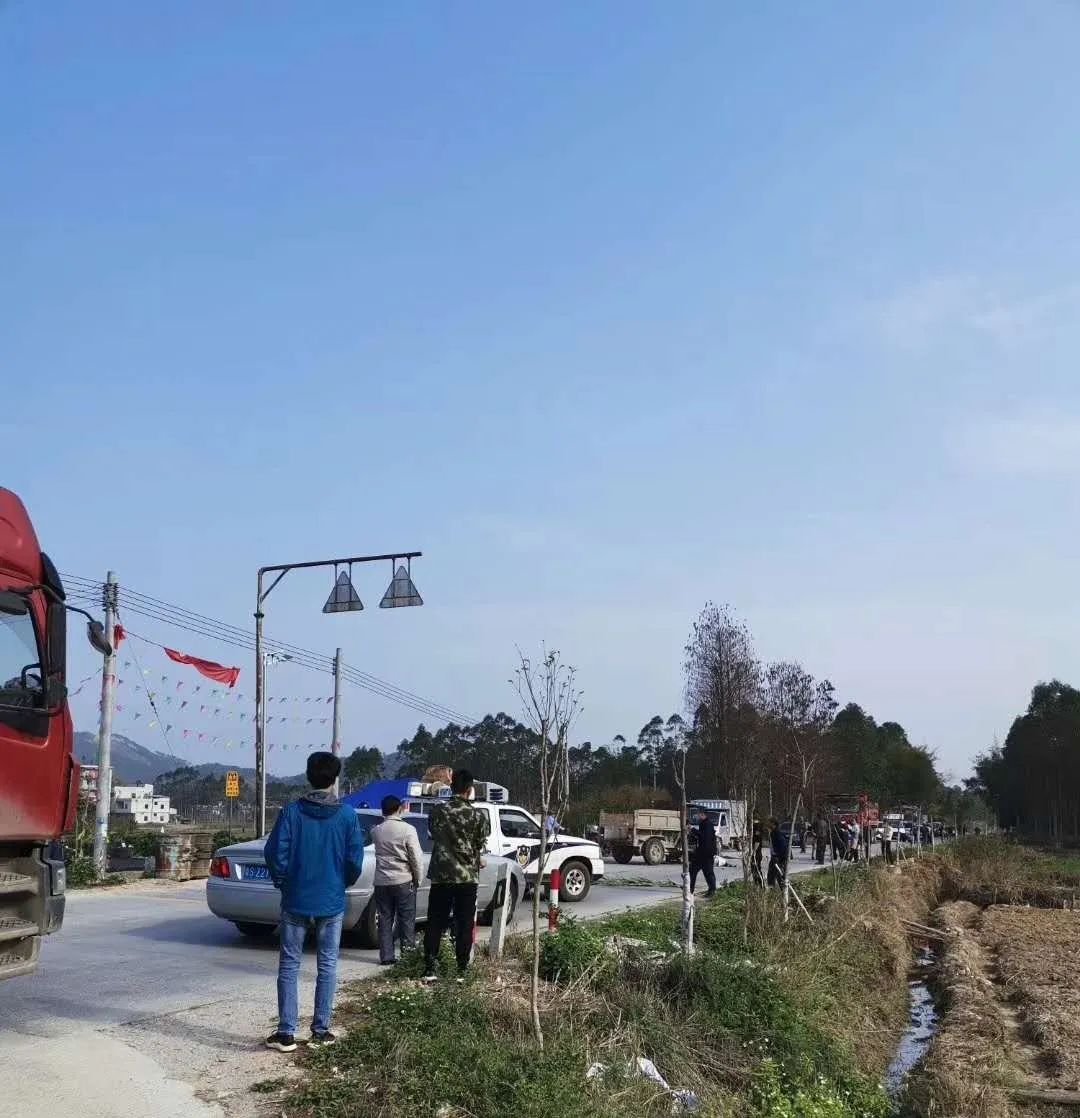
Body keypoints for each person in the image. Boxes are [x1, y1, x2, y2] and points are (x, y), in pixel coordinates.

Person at [263, 751, 364, 1053]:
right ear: (335, 778)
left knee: (290, 964)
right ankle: (321, 1031)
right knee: (327, 964)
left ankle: (286, 1033)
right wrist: (340, 883)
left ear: (308, 776)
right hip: (331, 900)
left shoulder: (291, 812)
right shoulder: (347, 815)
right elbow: (354, 860)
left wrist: (284, 881)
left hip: (295, 898)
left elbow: (274, 853)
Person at [423, 768, 490, 983]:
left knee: (435, 921)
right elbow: (480, 843)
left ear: (452, 787)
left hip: (441, 875)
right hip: (466, 877)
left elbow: (433, 833)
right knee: (464, 923)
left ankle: (429, 968)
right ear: (469, 790)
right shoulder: (478, 815)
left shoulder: (437, 811)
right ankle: (461, 970)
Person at [371, 794, 423, 965]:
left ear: (383, 810)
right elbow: (415, 858)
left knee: (385, 919)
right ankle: (408, 956)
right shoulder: (408, 830)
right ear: (400, 808)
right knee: (406, 918)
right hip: (403, 880)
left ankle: (386, 956)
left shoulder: (376, 831)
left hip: (381, 882)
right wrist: (418, 879)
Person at [689, 807, 717, 896]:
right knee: (692, 870)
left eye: (698, 814)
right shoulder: (703, 823)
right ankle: (690, 888)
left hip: (707, 853)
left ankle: (712, 891)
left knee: (708, 873)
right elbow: (700, 837)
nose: (697, 815)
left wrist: (693, 829)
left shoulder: (708, 824)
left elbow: (704, 837)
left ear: (702, 814)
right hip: (701, 852)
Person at [767, 819, 788, 888]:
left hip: (778, 857)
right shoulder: (774, 833)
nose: (768, 826)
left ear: (774, 825)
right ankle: (772, 889)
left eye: (770, 824)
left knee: (779, 875)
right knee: (771, 875)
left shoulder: (776, 834)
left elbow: (783, 846)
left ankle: (783, 891)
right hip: (775, 857)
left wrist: (782, 858)